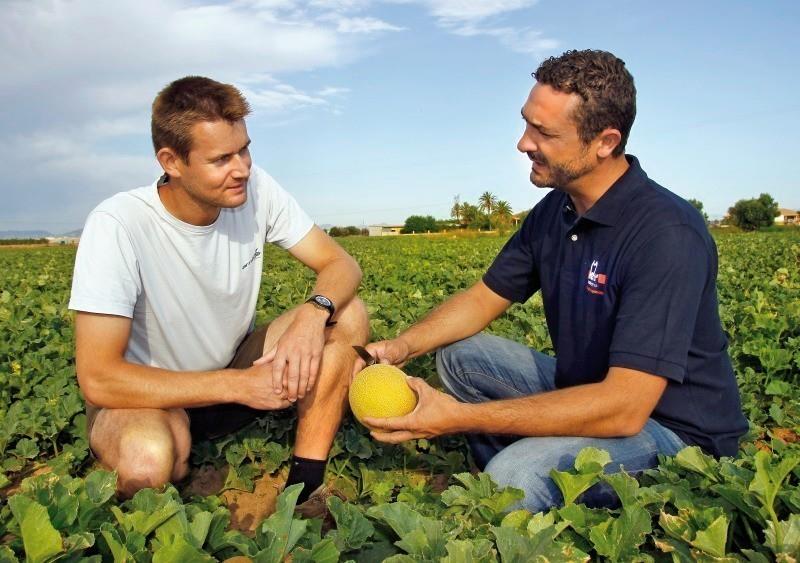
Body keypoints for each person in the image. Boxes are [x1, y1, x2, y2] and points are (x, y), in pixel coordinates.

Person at [356, 49, 748, 513]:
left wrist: (457, 419)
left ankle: (523, 479)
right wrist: (402, 347)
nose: (523, 143)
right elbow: (484, 299)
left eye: (543, 132)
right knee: (462, 356)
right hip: (590, 389)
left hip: (674, 432)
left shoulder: (666, 234)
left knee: (513, 476)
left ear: (604, 142)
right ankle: (530, 468)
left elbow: (625, 406)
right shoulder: (558, 209)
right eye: (526, 123)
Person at [69, 76, 369, 505]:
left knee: (348, 312)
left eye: (245, 149)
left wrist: (313, 311)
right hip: (151, 396)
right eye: (221, 158)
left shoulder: (255, 189)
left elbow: (341, 263)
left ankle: (306, 485)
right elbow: (98, 378)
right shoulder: (118, 224)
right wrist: (239, 386)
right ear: (171, 161)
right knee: (147, 462)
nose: (242, 167)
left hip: (235, 368)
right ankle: (145, 448)